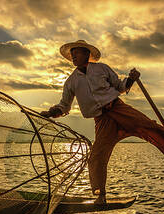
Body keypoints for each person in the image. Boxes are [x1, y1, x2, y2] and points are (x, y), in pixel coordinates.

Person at [41, 40, 164, 204]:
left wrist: (132, 79)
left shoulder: (102, 68)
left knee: (150, 127)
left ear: (86, 54)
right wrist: (50, 113)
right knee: (97, 156)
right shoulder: (71, 82)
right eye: (72, 54)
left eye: (76, 53)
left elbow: (120, 87)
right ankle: (101, 196)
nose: (73, 56)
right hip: (102, 119)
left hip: (119, 109)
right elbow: (64, 106)